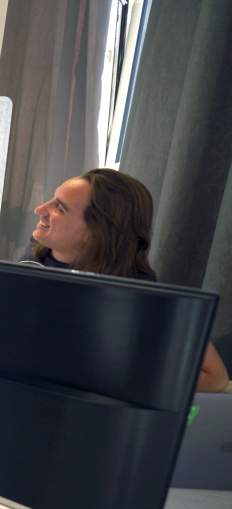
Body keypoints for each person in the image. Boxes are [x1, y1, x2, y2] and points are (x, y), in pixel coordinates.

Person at [21, 168, 229, 392]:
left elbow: (214, 377)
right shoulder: (36, 253)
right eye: (53, 198)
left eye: (59, 208)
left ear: (94, 233)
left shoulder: (141, 293)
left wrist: (102, 374)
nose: (40, 209)